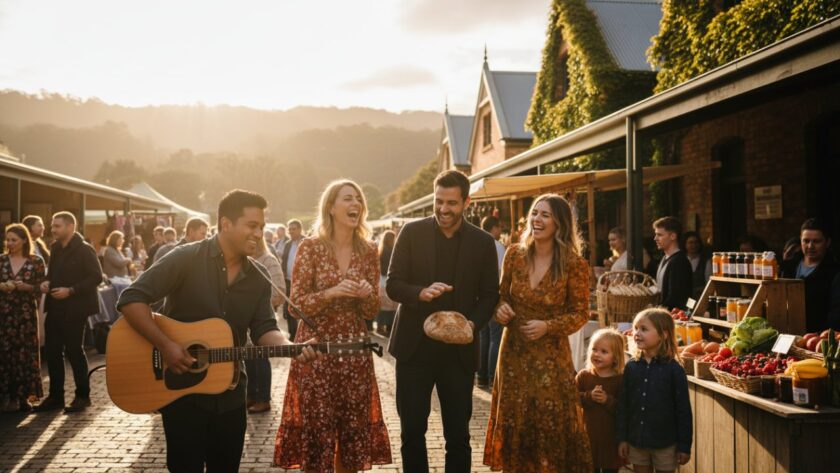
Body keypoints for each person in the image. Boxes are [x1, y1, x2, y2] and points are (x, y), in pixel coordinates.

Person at [117, 190, 318, 472]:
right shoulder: (186, 258)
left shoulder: (259, 278)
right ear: (225, 223)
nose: (259, 233)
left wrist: (290, 346)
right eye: (251, 225)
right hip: (182, 397)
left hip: (232, 398)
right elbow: (130, 299)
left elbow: (264, 329)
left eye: (261, 227)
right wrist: (165, 345)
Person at [275, 180, 392, 472]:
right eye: (348, 199)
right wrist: (333, 292)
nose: (356, 205)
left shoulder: (369, 250)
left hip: (355, 355)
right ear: (331, 206)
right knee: (318, 436)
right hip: (316, 354)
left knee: (353, 435)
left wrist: (366, 294)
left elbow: (370, 311)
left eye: (359, 200)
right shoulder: (310, 248)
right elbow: (295, 305)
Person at [387, 170, 499, 473]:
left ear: (466, 202)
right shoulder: (411, 232)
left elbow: (490, 295)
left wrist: (470, 326)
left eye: (451, 203)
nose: (443, 209)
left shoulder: (483, 242)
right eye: (439, 201)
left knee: (458, 437)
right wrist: (420, 293)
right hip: (414, 350)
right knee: (411, 433)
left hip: (458, 355)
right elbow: (393, 284)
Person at [484, 193, 592, 472]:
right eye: (534, 213)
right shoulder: (514, 255)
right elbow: (500, 296)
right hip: (513, 355)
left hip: (551, 357)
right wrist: (501, 309)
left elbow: (581, 313)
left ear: (560, 223)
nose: (537, 219)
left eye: (545, 215)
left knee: (549, 421)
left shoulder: (574, 264)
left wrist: (548, 326)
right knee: (515, 419)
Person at [34, 211, 103, 413]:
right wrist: (46, 282)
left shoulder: (85, 249)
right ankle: (56, 396)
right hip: (55, 307)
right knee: (53, 351)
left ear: (70, 227)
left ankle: (83, 396)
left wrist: (71, 290)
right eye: (53, 226)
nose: (53, 230)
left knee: (74, 351)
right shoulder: (55, 248)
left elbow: (96, 277)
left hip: (76, 308)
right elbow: (52, 273)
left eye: (57, 226)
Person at [617, 308, 692, 473]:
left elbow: (683, 411)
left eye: (644, 329)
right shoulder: (631, 367)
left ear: (663, 335)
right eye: (636, 328)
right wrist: (622, 438)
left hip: (665, 443)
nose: (637, 333)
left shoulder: (674, 370)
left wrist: (684, 446)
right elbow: (624, 405)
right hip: (637, 441)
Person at [0, 224, 47, 412]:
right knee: (5, 353)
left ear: (24, 240)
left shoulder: (36, 261)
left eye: (14, 240)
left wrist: (25, 287)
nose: (10, 243)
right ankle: (7, 397)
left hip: (26, 314)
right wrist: (3, 286)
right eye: (7, 239)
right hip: (4, 314)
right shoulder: (2, 261)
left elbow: (41, 287)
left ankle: (25, 397)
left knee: (25, 354)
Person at [244, 236, 286, 414]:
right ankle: (251, 395)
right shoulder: (240, 260)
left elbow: (280, 291)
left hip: (261, 320)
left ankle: (263, 398)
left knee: (260, 358)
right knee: (248, 360)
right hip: (243, 321)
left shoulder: (268, 261)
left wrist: (256, 304)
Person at [576, 328, 626, 473]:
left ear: (615, 357)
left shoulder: (620, 380)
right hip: (588, 438)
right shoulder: (583, 376)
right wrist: (588, 396)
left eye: (604, 352)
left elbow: (624, 409)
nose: (597, 354)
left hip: (610, 441)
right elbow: (572, 400)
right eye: (594, 349)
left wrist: (607, 400)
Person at [781, 218, 839, 332]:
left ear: (827, 243)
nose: (810, 246)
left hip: (818, 336)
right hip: (786, 333)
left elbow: (836, 312)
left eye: (816, 241)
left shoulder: (834, 272)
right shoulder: (788, 267)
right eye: (806, 241)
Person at [476, 216, 505, 389]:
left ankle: (480, 375)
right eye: (499, 228)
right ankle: (493, 376)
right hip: (493, 295)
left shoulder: (475, 243)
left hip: (478, 297)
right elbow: (501, 273)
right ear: (493, 228)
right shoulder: (498, 246)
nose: (500, 231)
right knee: (495, 336)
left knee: (483, 335)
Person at [652, 217, 693, 310]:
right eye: (656, 234)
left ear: (673, 236)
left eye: (659, 235)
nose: (655, 238)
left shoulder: (679, 261)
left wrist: (656, 310)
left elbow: (676, 298)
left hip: (675, 318)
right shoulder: (665, 258)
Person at [281, 219, 305, 342]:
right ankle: (293, 334)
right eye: (289, 229)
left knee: (304, 308)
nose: (290, 231)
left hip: (304, 282)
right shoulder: (287, 244)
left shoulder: (306, 243)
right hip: (289, 281)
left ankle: (305, 334)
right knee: (290, 308)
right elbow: (284, 262)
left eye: (293, 229)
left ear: (300, 229)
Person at [376, 230, 397, 336]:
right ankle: (389, 327)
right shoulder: (393, 251)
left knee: (382, 304)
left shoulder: (380, 250)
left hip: (380, 280)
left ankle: (379, 326)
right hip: (388, 279)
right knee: (391, 305)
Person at [683, 231, 711, 300]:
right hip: (683, 298)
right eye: (690, 243)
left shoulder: (706, 262)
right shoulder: (681, 261)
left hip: (699, 299)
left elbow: (708, 283)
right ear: (685, 244)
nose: (694, 245)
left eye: (696, 242)